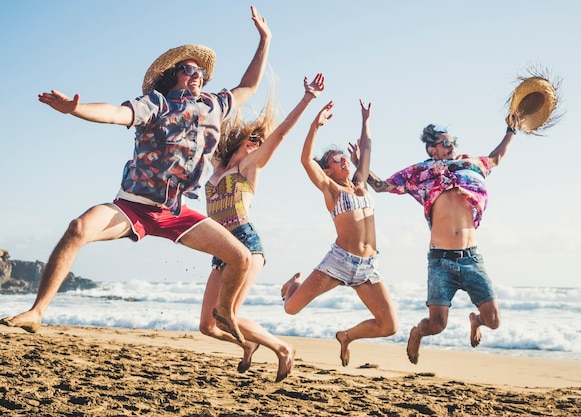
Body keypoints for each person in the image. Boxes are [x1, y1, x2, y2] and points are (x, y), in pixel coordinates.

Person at [0, 6, 272, 345]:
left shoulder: (215, 105)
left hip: (177, 213)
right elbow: (115, 113)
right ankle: (36, 312)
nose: (197, 74)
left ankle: (226, 313)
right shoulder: (155, 104)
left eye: (201, 70)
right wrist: (76, 109)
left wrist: (265, 39)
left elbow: (249, 85)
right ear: (174, 75)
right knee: (78, 228)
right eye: (189, 69)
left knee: (241, 257)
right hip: (132, 206)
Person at [200, 73, 325, 382]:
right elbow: (206, 131)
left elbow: (280, 134)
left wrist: (308, 99)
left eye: (259, 141)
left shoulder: (249, 167)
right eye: (252, 139)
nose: (256, 144)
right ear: (239, 141)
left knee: (227, 313)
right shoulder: (218, 166)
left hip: (244, 243)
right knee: (208, 325)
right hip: (220, 247)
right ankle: (249, 342)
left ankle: (282, 348)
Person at [366, 119, 520, 364]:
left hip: (471, 258)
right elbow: (381, 186)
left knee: (494, 321)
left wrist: (510, 131)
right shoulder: (421, 173)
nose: (452, 146)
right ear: (432, 149)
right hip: (440, 261)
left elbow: (496, 158)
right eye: (446, 142)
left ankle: (475, 320)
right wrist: (359, 165)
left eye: (453, 142)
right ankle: (417, 332)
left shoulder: (472, 165)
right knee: (436, 325)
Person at [281, 100, 398, 367]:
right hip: (339, 263)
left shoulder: (360, 185)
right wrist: (315, 125)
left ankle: (346, 336)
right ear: (327, 170)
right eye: (336, 159)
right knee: (290, 308)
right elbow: (304, 160)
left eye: (343, 156)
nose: (343, 159)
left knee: (389, 326)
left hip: (368, 267)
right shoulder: (331, 191)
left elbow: (366, 148)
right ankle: (292, 286)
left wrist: (365, 119)